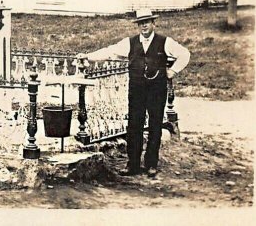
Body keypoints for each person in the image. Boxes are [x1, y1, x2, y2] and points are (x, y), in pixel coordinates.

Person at [78, 9, 190, 178]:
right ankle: (133, 165)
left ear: (153, 24)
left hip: (156, 90)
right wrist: (88, 56)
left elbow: (185, 54)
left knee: (154, 126)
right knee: (134, 126)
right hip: (137, 89)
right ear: (138, 26)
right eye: (140, 23)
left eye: (147, 22)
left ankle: (151, 164)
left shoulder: (165, 42)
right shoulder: (129, 43)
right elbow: (109, 52)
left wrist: (172, 71)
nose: (143, 26)